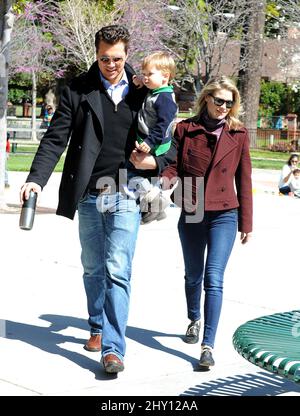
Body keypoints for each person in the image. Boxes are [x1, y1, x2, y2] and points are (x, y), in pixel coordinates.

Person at [20, 25, 175, 374]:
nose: (111, 65)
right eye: (104, 58)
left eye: (118, 58)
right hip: (90, 191)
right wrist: (35, 181)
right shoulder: (78, 89)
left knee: (117, 268)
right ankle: (95, 322)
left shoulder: (144, 88)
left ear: (127, 54)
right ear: (96, 54)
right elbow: (55, 138)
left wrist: (156, 162)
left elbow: (170, 137)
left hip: (127, 189)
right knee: (93, 266)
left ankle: (113, 347)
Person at [161, 76, 253, 368]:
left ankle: (208, 345)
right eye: (219, 101)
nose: (224, 106)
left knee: (214, 278)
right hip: (192, 208)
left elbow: (244, 179)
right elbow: (173, 165)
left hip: (225, 212)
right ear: (207, 99)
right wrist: (164, 179)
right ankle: (193, 319)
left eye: (230, 102)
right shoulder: (185, 129)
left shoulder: (239, 134)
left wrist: (246, 223)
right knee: (193, 275)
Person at [124, 51, 178, 224]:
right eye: (144, 74)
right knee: (140, 174)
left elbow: (164, 126)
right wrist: (140, 82)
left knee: (131, 172)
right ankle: (156, 210)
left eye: (149, 74)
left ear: (165, 76)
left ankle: (156, 198)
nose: (145, 78)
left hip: (155, 144)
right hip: (148, 141)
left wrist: (149, 142)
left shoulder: (165, 99)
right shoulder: (156, 92)